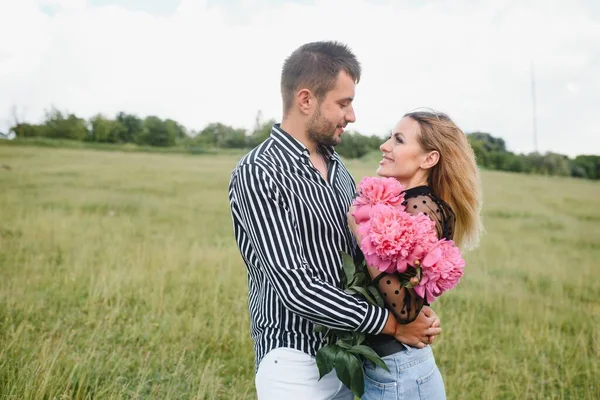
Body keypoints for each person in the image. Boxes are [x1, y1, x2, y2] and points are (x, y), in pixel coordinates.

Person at [227, 42, 442, 400]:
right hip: (293, 362)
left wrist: (414, 307)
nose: (352, 115)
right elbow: (298, 288)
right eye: (344, 103)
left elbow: (363, 256)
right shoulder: (259, 172)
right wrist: (393, 325)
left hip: (349, 357)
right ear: (306, 100)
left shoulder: (339, 168)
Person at [347, 110, 484, 399]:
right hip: (396, 369)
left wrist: (364, 237)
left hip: (399, 374)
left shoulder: (419, 208)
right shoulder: (414, 202)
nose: (385, 146)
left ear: (428, 159)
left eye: (398, 140)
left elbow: (407, 309)